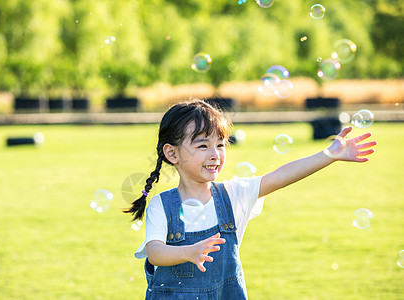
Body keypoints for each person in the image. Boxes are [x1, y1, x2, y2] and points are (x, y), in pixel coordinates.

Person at [124, 99, 376, 299]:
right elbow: (154, 252)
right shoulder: (162, 205)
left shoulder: (233, 195)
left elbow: (280, 176)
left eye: (221, 145)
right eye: (202, 146)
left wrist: (328, 155)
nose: (215, 154)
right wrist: (189, 251)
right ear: (172, 153)